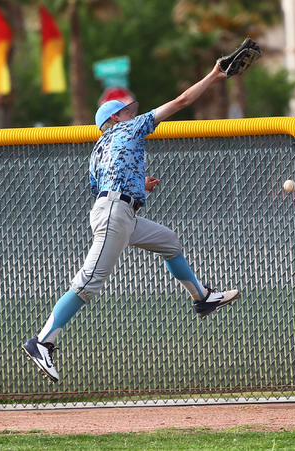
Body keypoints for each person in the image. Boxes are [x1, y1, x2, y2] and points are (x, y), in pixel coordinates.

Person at [22, 61, 239, 383]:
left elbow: (104, 185)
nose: (130, 113)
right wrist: (213, 76)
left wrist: (140, 185)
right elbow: (181, 102)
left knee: (170, 242)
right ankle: (42, 341)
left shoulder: (97, 151)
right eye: (125, 111)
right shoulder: (128, 128)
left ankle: (202, 297)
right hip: (115, 214)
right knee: (87, 283)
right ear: (114, 119)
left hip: (118, 210)